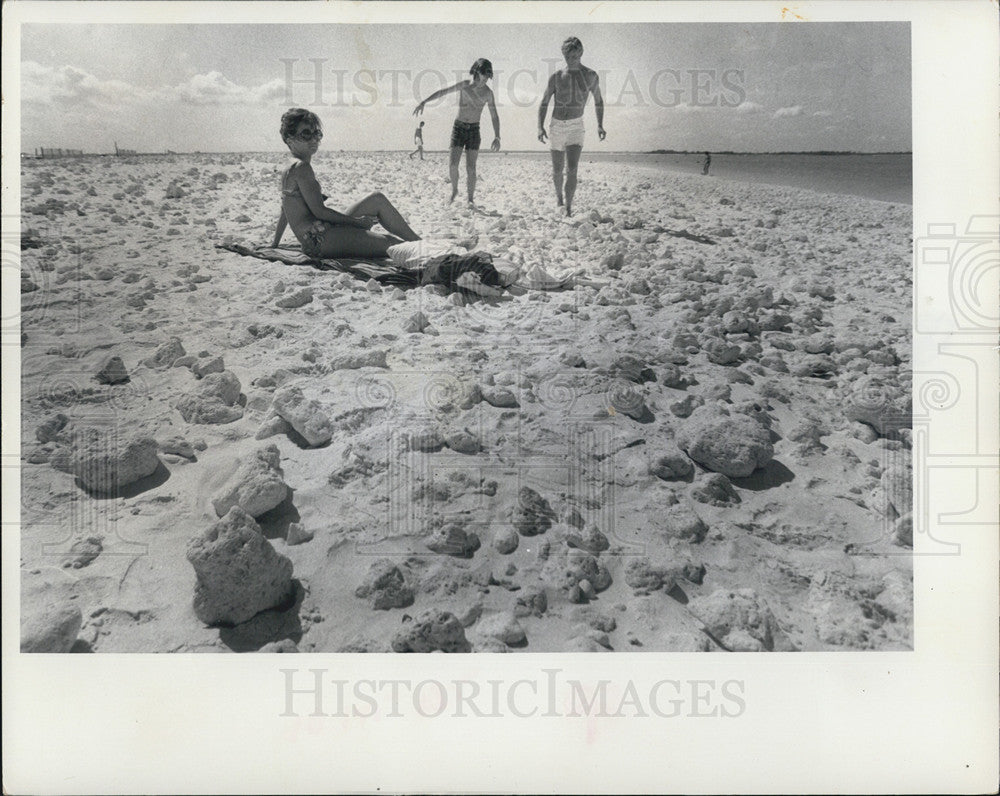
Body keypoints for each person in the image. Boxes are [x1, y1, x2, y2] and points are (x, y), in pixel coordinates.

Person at [272, 108, 421, 259]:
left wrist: (275, 244)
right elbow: (320, 212)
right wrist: (358, 223)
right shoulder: (302, 168)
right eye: (306, 134)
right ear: (290, 139)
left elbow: (285, 208)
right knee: (393, 244)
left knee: (377, 199)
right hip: (318, 240)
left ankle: (419, 243)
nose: (314, 139)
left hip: (320, 231)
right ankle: (424, 249)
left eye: (316, 133)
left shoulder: (289, 167)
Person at [414, 58, 501, 205]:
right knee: (453, 165)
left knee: (471, 168)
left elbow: (494, 115)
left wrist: (497, 136)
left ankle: (470, 199)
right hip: (459, 128)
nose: (486, 78)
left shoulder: (488, 93)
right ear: (476, 72)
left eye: (489, 75)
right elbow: (443, 92)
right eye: (484, 74)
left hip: (474, 130)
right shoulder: (465, 86)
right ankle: (454, 190)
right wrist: (424, 102)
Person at [537, 37, 606, 217]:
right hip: (557, 125)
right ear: (564, 55)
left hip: (576, 125)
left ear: (581, 53)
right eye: (568, 56)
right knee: (557, 170)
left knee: (572, 169)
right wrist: (540, 126)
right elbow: (544, 102)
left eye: (575, 56)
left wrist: (600, 125)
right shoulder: (557, 77)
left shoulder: (591, 76)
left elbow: (598, 101)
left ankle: (568, 208)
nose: (571, 59)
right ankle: (559, 198)